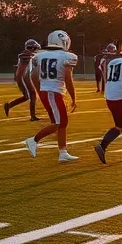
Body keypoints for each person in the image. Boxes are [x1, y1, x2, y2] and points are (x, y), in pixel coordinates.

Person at [24, 30, 79, 162]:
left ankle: (62, 152)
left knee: (61, 122)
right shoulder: (67, 56)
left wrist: (40, 90)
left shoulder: (40, 56)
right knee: (59, 123)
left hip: (47, 91)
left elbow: (33, 76)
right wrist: (73, 97)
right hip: (53, 92)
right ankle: (33, 140)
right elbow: (68, 78)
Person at [4, 39, 42, 121]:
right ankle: (32, 116)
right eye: (34, 48)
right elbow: (24, 60)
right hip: (22, 77)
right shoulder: (25, 55)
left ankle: (10, 106)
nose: (36, 50)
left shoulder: (29, 55)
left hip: (25, 76)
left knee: (30, 96)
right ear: (31, 48)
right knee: (30, 95)